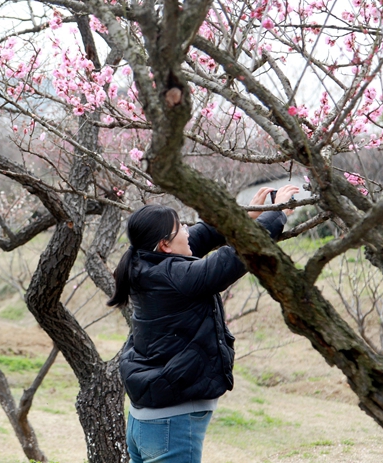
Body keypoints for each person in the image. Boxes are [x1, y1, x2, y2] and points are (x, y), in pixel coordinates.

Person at [109, 185, 299, 463]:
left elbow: (201, 235)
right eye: (180, 228)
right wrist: (277, 214)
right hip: (170, 424)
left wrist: (244, 217)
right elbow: (230, 260)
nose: (187, 229)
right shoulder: (177, 276)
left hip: (147, 421)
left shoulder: (142, 262)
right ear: (164, 244)